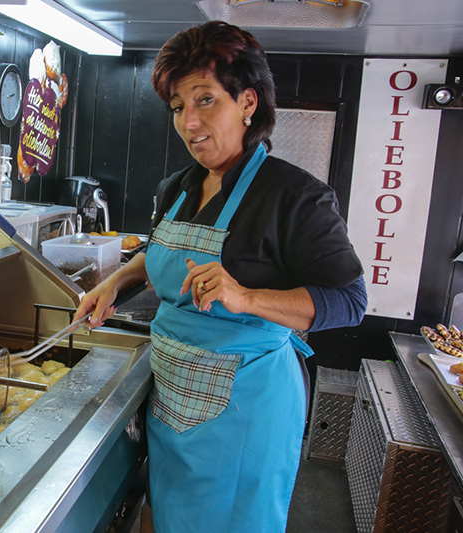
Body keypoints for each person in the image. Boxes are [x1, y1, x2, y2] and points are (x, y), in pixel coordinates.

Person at [72, 21, 366, 532]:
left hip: (245, 409)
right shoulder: (178, 188)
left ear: (248, 103)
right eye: (178, 107)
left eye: (205, 100)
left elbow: (348, 300)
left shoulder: (295, 197)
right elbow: (158, 252)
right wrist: (112, 283)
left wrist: (247, 296)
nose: (189, 121)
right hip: (173, 395)